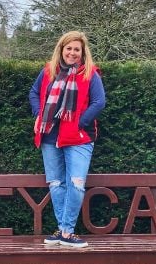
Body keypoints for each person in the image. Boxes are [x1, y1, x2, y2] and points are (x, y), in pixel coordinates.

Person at [29, 31, 106, 248]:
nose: (72, 53)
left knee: (76, 183)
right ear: (61, 49)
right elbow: (34, 93)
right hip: (49, 135)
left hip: (79, 138)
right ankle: (64, 231)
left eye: (77, 49)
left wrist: (79, 123)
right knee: (56, 183)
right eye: (69, 48)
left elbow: (99, 102)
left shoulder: (90, 74)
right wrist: (38, 114)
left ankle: (66, 231)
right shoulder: (48, 71)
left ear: (83, 52)